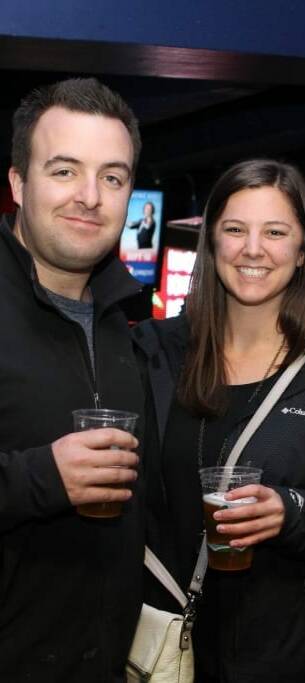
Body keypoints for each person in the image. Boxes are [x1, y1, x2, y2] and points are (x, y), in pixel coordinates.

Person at [133, 159, 305, 682]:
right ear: (212, 243)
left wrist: (292, 511)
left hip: (288, 657)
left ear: (301, 252)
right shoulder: (152, 353)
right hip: (159, 648)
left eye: (275, 232)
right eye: (235, 230)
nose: (253, 249)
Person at [0, 78, 145, 680]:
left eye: (111, 177)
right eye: (64, 171)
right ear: (17, 184)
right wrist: (41, 477)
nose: (90, 196)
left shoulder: (131, 327)